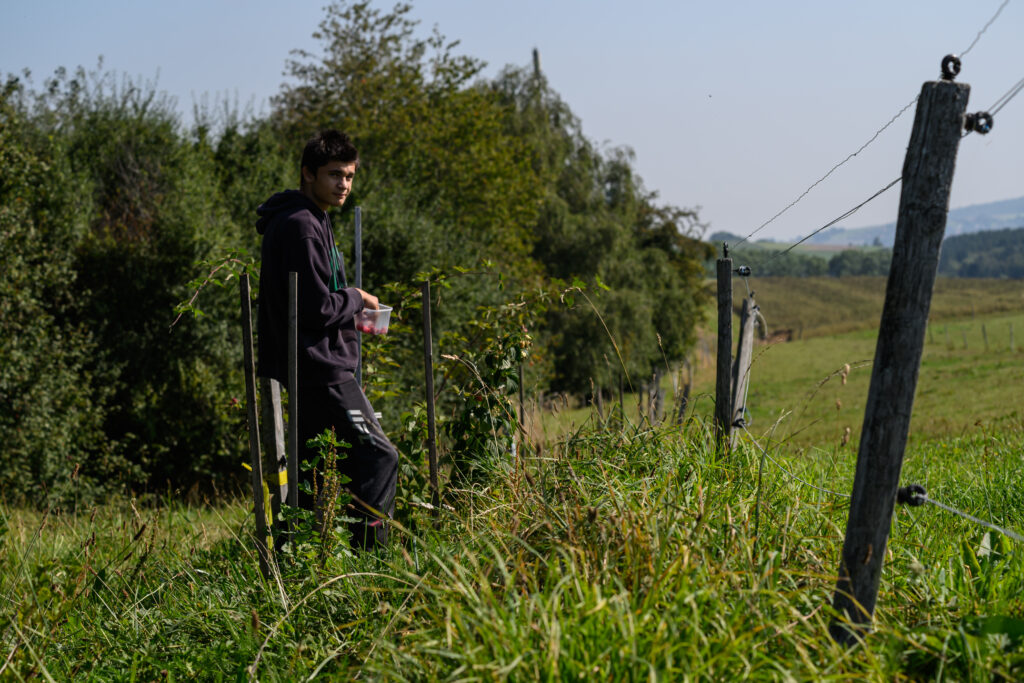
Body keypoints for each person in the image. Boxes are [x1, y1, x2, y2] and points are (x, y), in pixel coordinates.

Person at [256, 129, 398, 549]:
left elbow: (312, 301)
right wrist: (357, 297)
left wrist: (350, 312)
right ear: (307, 173)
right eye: (335, 174)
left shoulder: (311, 218)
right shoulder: (301, 225)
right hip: (320, 369)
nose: (344, 185)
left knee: (316, 472)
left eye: (350, 176)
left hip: (314, 362)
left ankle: (307, 560)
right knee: (378, 457)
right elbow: (316, 308)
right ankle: (371, 558)